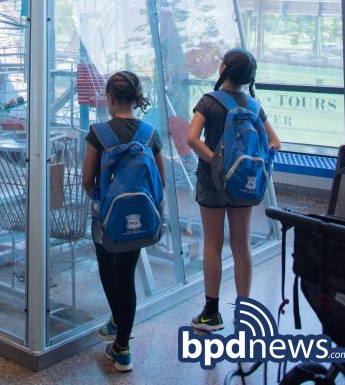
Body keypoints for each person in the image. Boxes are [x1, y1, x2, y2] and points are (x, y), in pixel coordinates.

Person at [186, 48, 281, 331]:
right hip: (244, 185)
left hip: (212, 184)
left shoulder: (209, 101)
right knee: (242, 246)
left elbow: (192, 138)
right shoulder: (254, 105)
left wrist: (217, 161)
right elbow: (275, 142)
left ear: (224, 69)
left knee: (213, 245)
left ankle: (211, 313)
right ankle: (245, 313)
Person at [82, 70, 166, 373]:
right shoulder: (149, 132)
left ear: (110, 98)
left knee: (107, 267)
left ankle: (119, 334)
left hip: (107, 218)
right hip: (140, 219)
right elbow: (162, 179)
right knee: (127, 275)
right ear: (135, 97)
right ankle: (121, 342)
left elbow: (87, 180)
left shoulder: (99, 133)